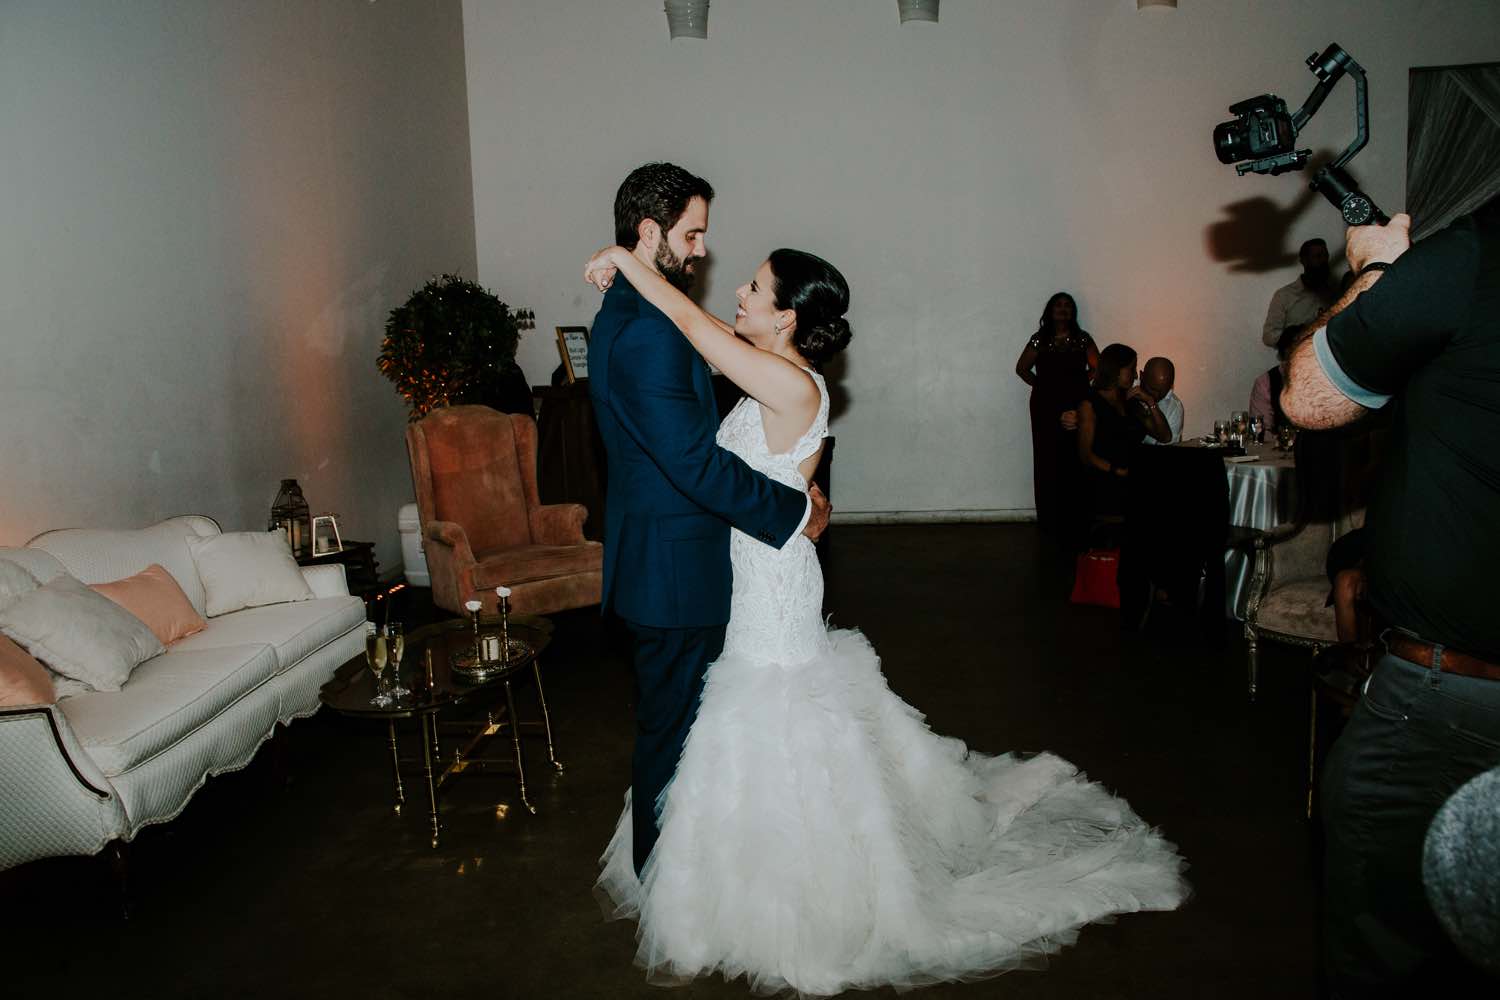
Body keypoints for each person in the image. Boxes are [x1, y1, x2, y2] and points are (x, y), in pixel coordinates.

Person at [583, 243, 1187, 995]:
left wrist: (625, 261)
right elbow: (706, 335)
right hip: (755, 569)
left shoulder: (789, 383)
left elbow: (688, 321)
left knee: (773, 720)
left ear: (787, 317)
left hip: (771, 588)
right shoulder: (772, 368)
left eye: (752, 287)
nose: (734, 291)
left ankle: (796, 899)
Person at [1281, 199, 1500, 995]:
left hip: (1456, 706)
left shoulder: (1472, 257)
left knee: (1389, 946)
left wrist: (1377, 268)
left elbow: (1308, 399)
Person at [586, 163, 829, 877]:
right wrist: (792, 509)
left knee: (690, 735)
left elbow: (713, 339)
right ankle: (668, 887)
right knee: (672, 741)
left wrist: (623, 262)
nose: (701, 252)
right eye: (692, 235)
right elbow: (694, 464)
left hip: (667, 563)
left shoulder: (636, 315)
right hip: (673, 572)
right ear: (650, 230)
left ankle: (690, 877)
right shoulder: (649, 333)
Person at [1015, 293, 1097, 533]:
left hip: (1076, 404)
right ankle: (1049, 517)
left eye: (1068, 306)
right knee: (1047, 458)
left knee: (1075, 454)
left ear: (1074, 312)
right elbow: (1021, 368)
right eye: (1058, 305)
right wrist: (1042, 386)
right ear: (1050, 310)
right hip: (1044, 406)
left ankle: (1074, 514)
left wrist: (1081, 384)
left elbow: (1098, 368)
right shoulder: (1039, 339)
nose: (1063, 309)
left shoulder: (1083, 340)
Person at [1076, 344, 1170, 519]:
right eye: (1131, 369)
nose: (1135, 375)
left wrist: (1150, 402)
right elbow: (1085, 455)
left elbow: (1164, 436)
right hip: (1104, 481)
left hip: (1131, 480)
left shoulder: (1130, 403)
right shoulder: (1090, 403)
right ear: (1116, 370)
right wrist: (1117, 471)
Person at [1261, 237, 1339, 347]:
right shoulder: (1284, 295)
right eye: (1317, 257)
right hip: (1298, 359)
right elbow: (1269, 337)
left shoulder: (1334, 294)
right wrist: (1296, 334)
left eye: (1326, 256)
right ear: (1304, 261)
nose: (1323, 261)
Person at [1138, 356, 1184, 445]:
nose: (1157, 395)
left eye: (1163, 391)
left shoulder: (1175, 408)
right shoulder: (1129, 391)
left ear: (1171, 386)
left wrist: (1151, 404)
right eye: (1152, 389)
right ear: (1141, 376)